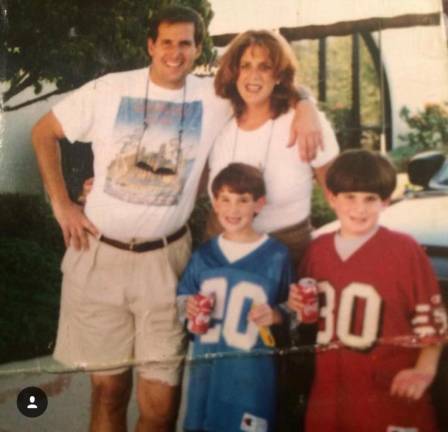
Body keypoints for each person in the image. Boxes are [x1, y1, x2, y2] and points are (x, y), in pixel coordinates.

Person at [31, 5, 323, 431]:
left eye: (185, 43)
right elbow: (43, 131)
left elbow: (267, 85)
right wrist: (62, 204)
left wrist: (306, 104)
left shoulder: (213, 97)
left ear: (197, 49)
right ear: (151, 45)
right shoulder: (111, 89)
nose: (174, 52)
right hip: (100, 258)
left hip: (165, 264)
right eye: (165, 42)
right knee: (109, 392)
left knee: (161, 404)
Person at [206, 29, 339, 431]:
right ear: (232, 71)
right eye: (245, 65)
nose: (253, 75)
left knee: (281, 372)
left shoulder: (301, 125)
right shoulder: (221, 119)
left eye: (264, 66)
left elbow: (338, 195)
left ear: (280, 75)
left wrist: (306, 104)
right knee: (225, 369)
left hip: (285, 256)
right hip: (222, 259)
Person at [288, 149, 448, 432]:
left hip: (388, 385)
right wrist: (297, 304)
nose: (359, 208)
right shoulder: (318, 249)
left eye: (370, 199)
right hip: (330, 387)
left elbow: (432, 319)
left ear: (385, 202)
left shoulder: (405, 250)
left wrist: (424, 370)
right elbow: (308, 314)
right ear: (331, 198)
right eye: (350, 197)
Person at [177, 163, 294, 432]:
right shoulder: (204, 255)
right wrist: (189, 306)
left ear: (259, 204)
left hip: (251, 373)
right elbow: (182, 298)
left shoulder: (277, 256)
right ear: (215, 204)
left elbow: (294, 310)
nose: (233, 209)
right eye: (226, 200)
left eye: (243, 200)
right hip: (206, 370)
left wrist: (276, 314)